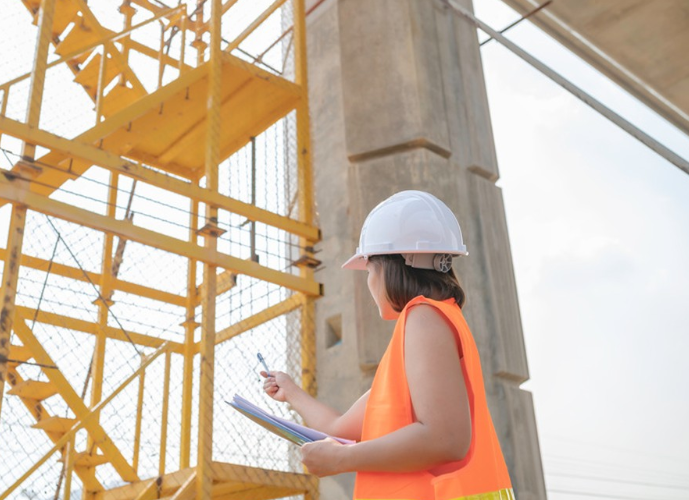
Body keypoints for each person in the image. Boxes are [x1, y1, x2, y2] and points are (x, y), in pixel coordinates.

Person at [262, 190, 514, 500]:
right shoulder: (418, 334)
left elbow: (446, 438)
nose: (368, 282)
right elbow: (338, 429)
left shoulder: (424, 316)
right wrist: (290, 392)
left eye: (368, 270)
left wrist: (342, 459)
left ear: (390, 266)